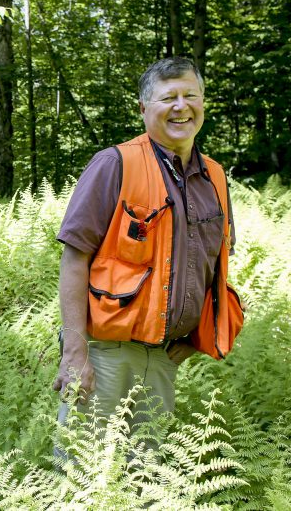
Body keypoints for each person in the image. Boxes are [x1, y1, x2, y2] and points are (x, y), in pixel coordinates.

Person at [52, 57, 243, 434]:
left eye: (191, 95)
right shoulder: (114, 164)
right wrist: (76, 354)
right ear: (143, 108)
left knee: (148, 480)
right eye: (168, 97)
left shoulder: (216, 178)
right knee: (81, 474)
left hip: (165, 360)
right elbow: (75, 259)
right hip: (105, 354)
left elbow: (213, 269)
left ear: (202, 103)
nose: (181, 106)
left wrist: (193, 340)